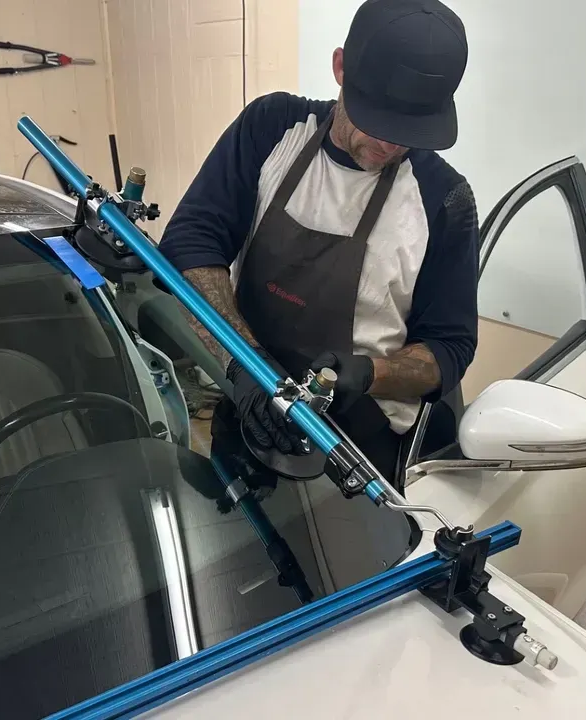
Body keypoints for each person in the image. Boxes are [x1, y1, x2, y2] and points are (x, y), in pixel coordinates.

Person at [160, 0, 478, 493]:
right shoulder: (271, 129)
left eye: (409, 132)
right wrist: (247, 373)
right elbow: (190, 242)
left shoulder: (443, 200)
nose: (391, 146)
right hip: (247, 419)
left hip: (357, 458)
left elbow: (449, 347)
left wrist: (371, 373)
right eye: (380, 122)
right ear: (340, 67)